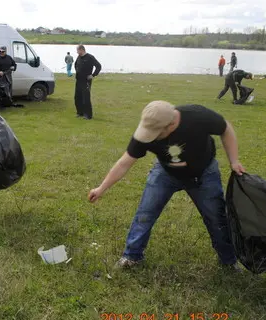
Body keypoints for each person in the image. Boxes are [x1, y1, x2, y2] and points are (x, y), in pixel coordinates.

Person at [88, 100, 245, 271]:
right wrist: (101, 188)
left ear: (171, 125)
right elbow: (125, 162)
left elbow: (225, 128)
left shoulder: (197, 116)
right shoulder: (147, 130)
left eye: (155, 133)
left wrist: (234, 160)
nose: (150, 136)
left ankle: (228, 261)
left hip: (203, 175)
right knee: (145, 213)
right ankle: (131, 256)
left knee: (216, 218)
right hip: (165, 174)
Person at [74, 44, 101, 120]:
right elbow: (75, 64)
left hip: (86, 81)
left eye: (78, 50)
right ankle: (80, 112)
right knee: (77, 97)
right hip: (78, 80)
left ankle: (88, 115)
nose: (77, 52)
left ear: (82, 50)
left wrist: (93, 75)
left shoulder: (90, 57)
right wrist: (77, 71)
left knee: (86, 98)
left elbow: (98, 66)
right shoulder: (79, 57)